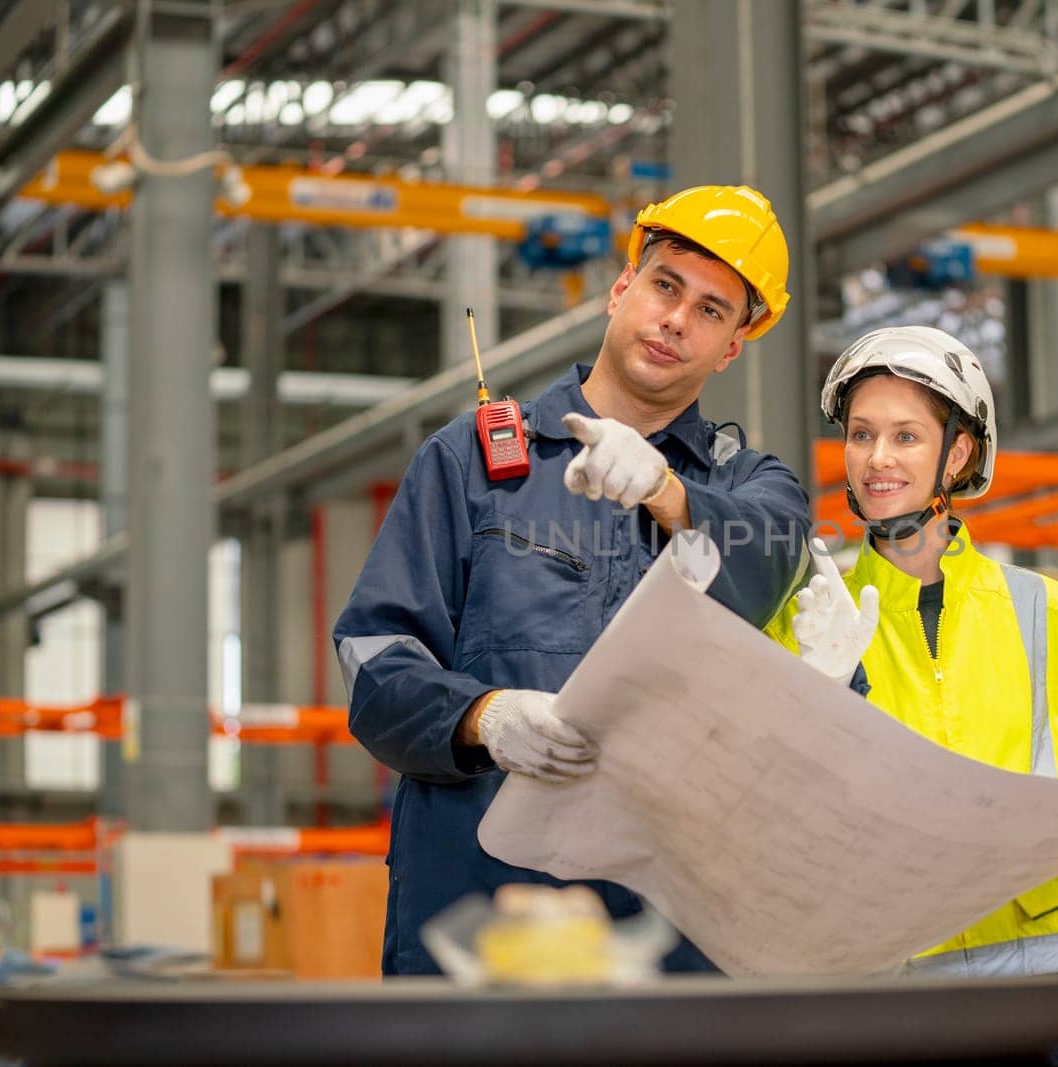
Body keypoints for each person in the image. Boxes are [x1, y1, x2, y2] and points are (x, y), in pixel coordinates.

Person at [334, 184, 811, 976]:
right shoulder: (472, 465)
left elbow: (769, 558)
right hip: (477, 926)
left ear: (731, 347)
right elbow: (375, 663)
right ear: (622, 288)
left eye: (712, 311)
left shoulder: (753, 490)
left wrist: (667, 489)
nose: (677, 321)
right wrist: (482, 716)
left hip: (672, 938)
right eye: (666, 285)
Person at [770, 324, 1058, 1065]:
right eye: (861, 434)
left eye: (906, 436)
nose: (877, 459)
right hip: (884, 1001)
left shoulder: (1049, 611)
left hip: (1034, 1003)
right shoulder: (813, 619)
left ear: (959, 451)